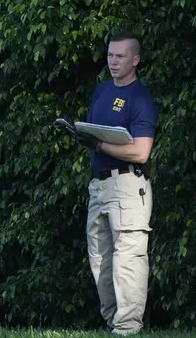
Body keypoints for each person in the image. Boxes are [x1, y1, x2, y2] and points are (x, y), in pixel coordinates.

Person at [73, 32, 158, 335]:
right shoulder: (102, 91)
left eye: (120, 56)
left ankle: (127, 328)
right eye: (110, 55)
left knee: (128, 259)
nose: (113, 61)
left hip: (127, 187)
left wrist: (99, 146)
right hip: (99, 186)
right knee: (101, 259)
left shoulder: (140, 99)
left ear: (135, 60)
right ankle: (114, 324)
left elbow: (141, 151)